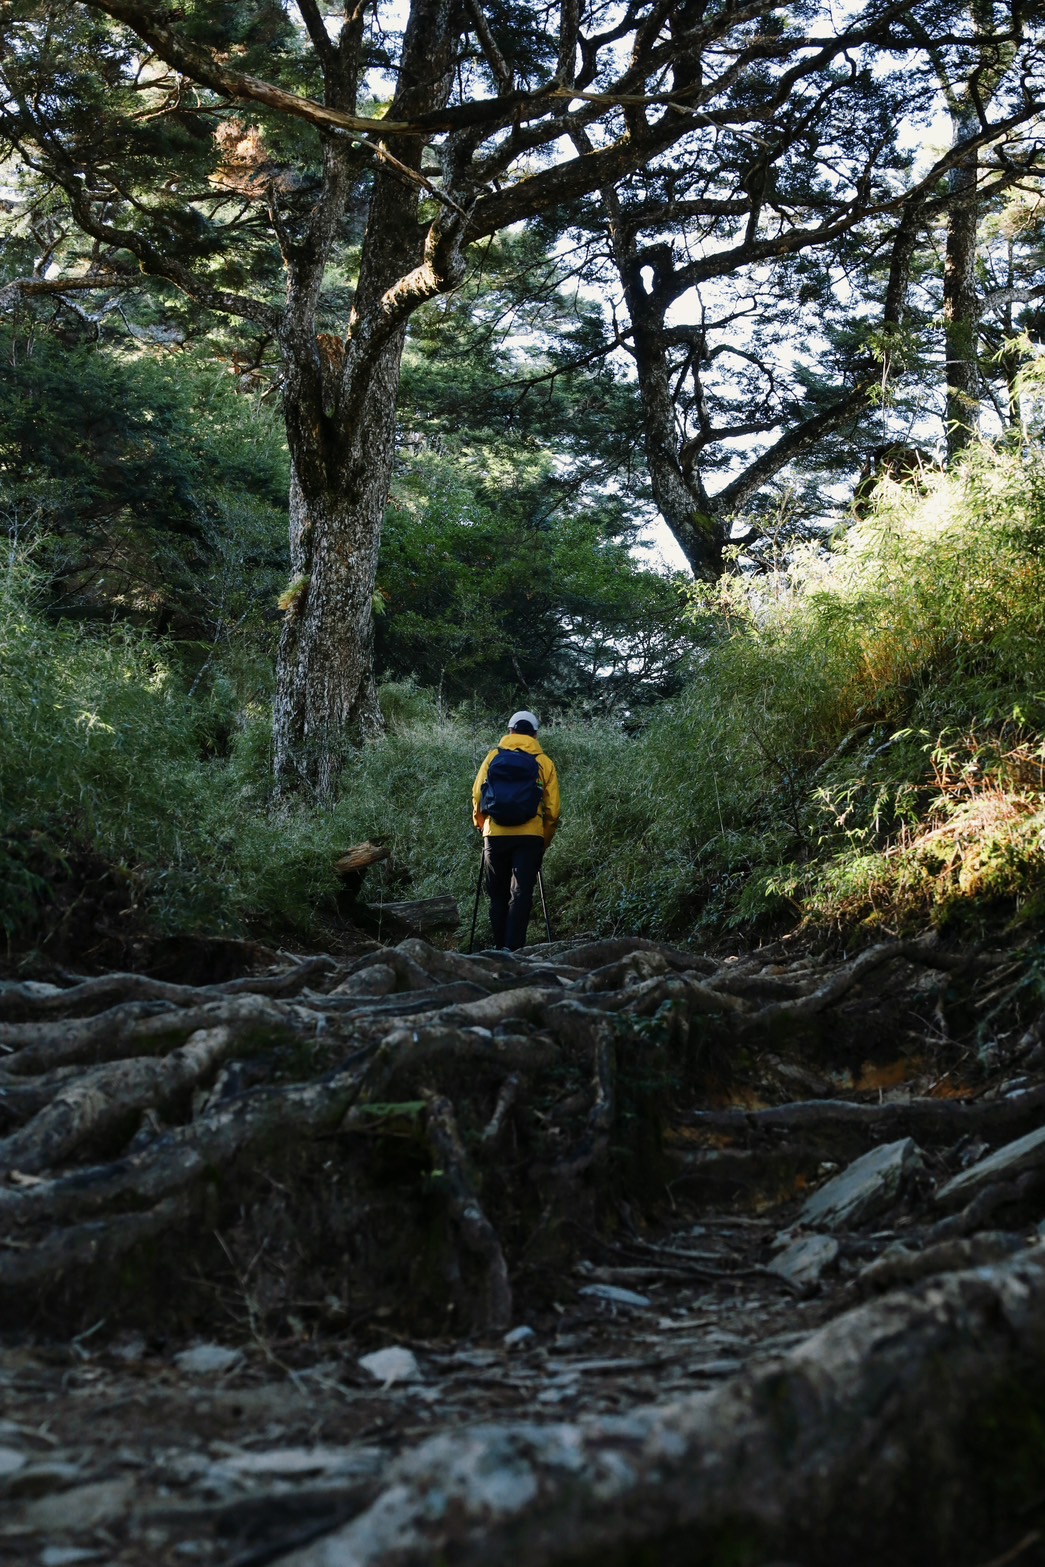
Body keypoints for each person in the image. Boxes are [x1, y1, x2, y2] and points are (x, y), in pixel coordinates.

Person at [472, 710, 560, 951]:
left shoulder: (493, 757)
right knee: (520, 895)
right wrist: (543, 840)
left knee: (497, 894)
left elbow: (478, 795)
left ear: (510, 731)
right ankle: (515, 951)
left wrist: (482, 826)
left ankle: (499, 950)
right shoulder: (544, 762)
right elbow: (552, 811)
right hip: (530, 836)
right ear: (535, 734)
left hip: (495, 835)